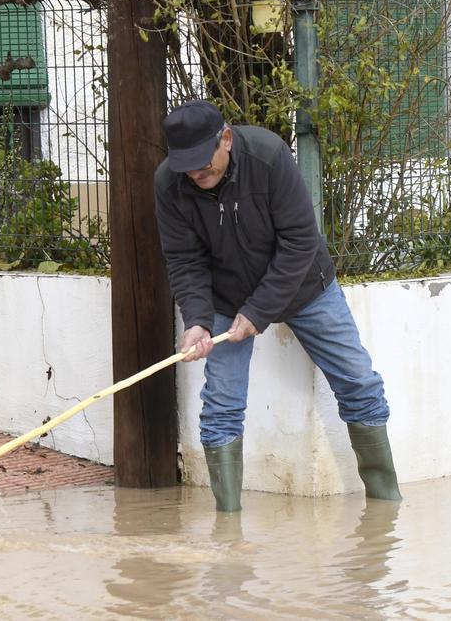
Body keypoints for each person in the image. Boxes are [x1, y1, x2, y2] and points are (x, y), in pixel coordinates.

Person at [153, 99, 402, 512]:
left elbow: (300, 241)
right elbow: (185, 260)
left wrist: (259, 311)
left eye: (202, 160)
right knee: (221, 407)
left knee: (360, 383)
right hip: (224, 298)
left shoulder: (267, 156)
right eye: (186, 165)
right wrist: (196, 321)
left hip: (305, 287)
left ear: (226, 140)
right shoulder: (169, 184)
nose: (196, 173)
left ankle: (386, 508)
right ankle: (227, 526)